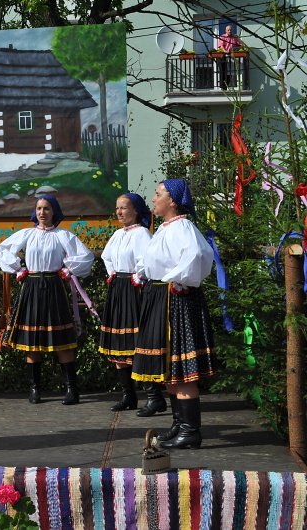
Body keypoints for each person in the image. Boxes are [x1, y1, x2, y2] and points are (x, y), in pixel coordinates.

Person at [133, 179, 216, 449]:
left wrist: (176, 279)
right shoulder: (164, 228)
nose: (153, 198)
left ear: (173, 201)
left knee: (180, 368)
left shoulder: (183, 226)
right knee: (168, 369)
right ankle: (179, 425)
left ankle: (191, 431)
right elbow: (153, 259)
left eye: (158, 194)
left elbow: (199, 255)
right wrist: (143, 272)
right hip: (160, 295)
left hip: (176, 297)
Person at [0, 195, 94, 405]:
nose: (42, 213)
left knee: (63, 342)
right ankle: (35, 389)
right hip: (31, 287)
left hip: (53, 286)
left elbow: (85, 256)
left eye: (47, 209)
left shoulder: (63, 235)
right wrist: (18, 269)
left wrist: (69, 269)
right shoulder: (27, 234)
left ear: (54, 212)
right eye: (39, 208)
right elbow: (3, 249)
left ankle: (71, 389)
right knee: (32, 343)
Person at [98, 193, 152, 412]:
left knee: (138, 341)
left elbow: (148, 259)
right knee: (119, 343)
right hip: (118, 287)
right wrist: (112, 273)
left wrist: (138, 276)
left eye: (124, 208)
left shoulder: (142, 234)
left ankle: (152, 394)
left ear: (136, 210)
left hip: (134, 288)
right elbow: (106, 255)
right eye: (117, 208)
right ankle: (128, 395)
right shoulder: (118, 234)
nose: (120, 212)